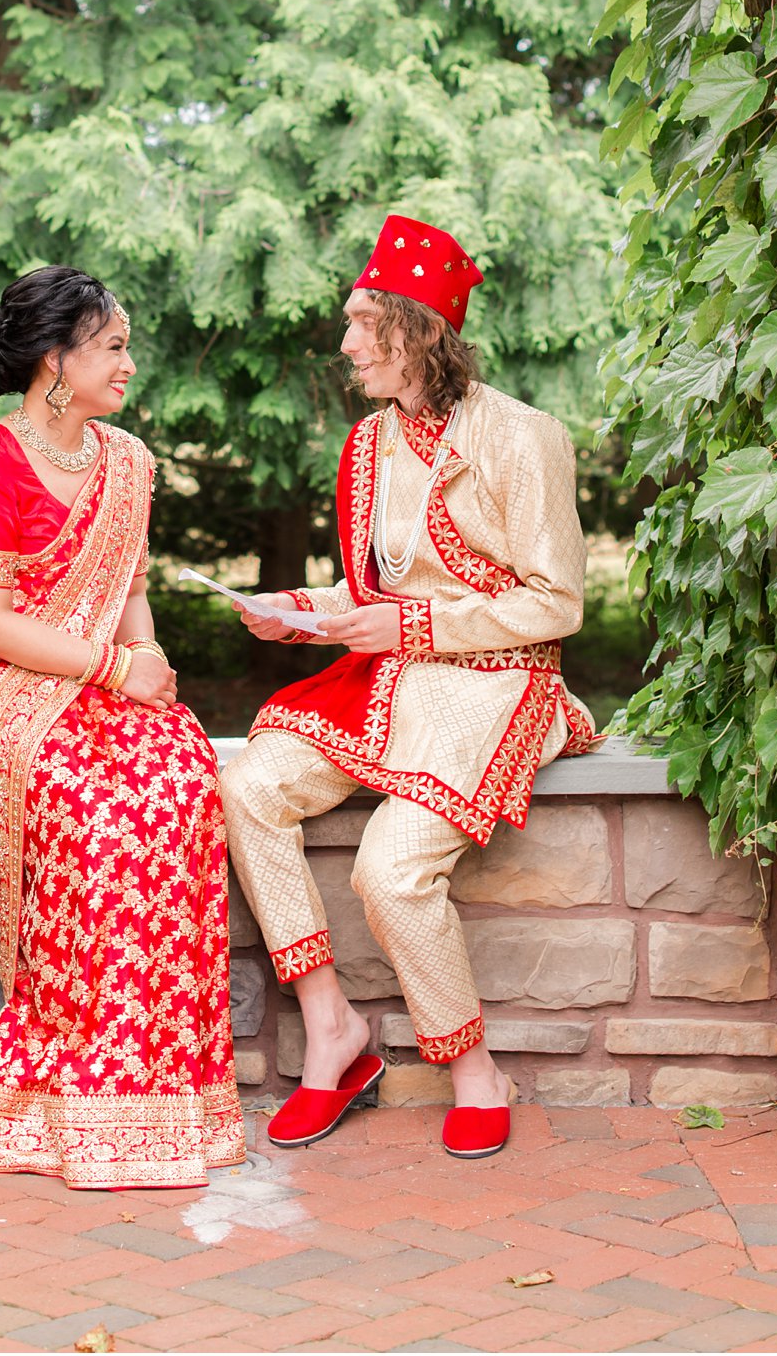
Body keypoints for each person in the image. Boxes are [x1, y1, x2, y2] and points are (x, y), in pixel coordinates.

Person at [219, 215, 597, 1161]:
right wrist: (300, 607)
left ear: (416, 327)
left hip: (497, 684)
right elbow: (375, 592)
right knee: (248, 786)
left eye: (360, 323)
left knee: (389, 874)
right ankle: (332, 1032)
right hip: (390, 675)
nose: (345, 344)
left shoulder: (523, 436)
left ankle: (474, 1070)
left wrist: (418, 627)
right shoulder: (367, 445)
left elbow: (557, 604)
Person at [0, 266, 244, 1189]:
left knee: (177, 779)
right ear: (56, 360)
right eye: (113, 346)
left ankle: (166, 1091)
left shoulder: (127, 461)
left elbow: (128, 590)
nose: (130, 363)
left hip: (97, 672)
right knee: (96, 811)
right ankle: (67, 1084)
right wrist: (108, 667)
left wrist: (151, 667)